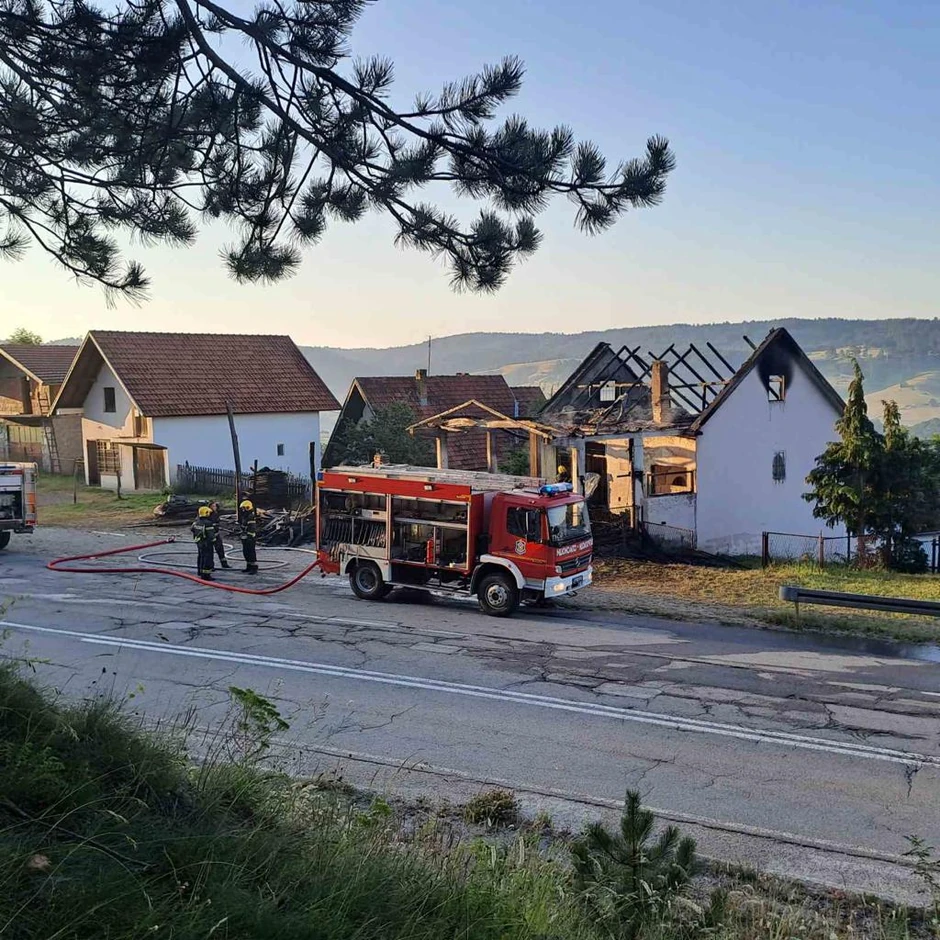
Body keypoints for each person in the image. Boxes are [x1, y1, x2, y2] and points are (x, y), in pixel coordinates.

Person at [192, 505, 218, 580]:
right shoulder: (208, 523)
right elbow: (211, 535)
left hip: (199, 542)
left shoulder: (196, 522)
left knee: (201, 557)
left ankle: (200, 571)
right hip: (207, 543)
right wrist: (214, 541)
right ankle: (206, 575)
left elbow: (192, 529)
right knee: (208, 558)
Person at [238, 498, 259, 574]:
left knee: (251, 553)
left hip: (250, 538)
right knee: (246, 552)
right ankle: (248, 566)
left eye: (244, 508)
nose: (243, 510)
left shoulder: (250, 516)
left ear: (248, 507)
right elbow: (244, 526)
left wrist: (249, 536)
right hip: (245, 537)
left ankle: (254, 568)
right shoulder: (245, 516)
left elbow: (252, 528)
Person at [208, 501, 230, 568]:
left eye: (215, 506)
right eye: (213, 506)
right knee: (209, 552)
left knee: (220, 549)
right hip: (210, 536)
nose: (215, 507)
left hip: (216, 534)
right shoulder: (207, 514)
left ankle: (224, 564)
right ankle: (210, 566)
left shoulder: (216, 514)